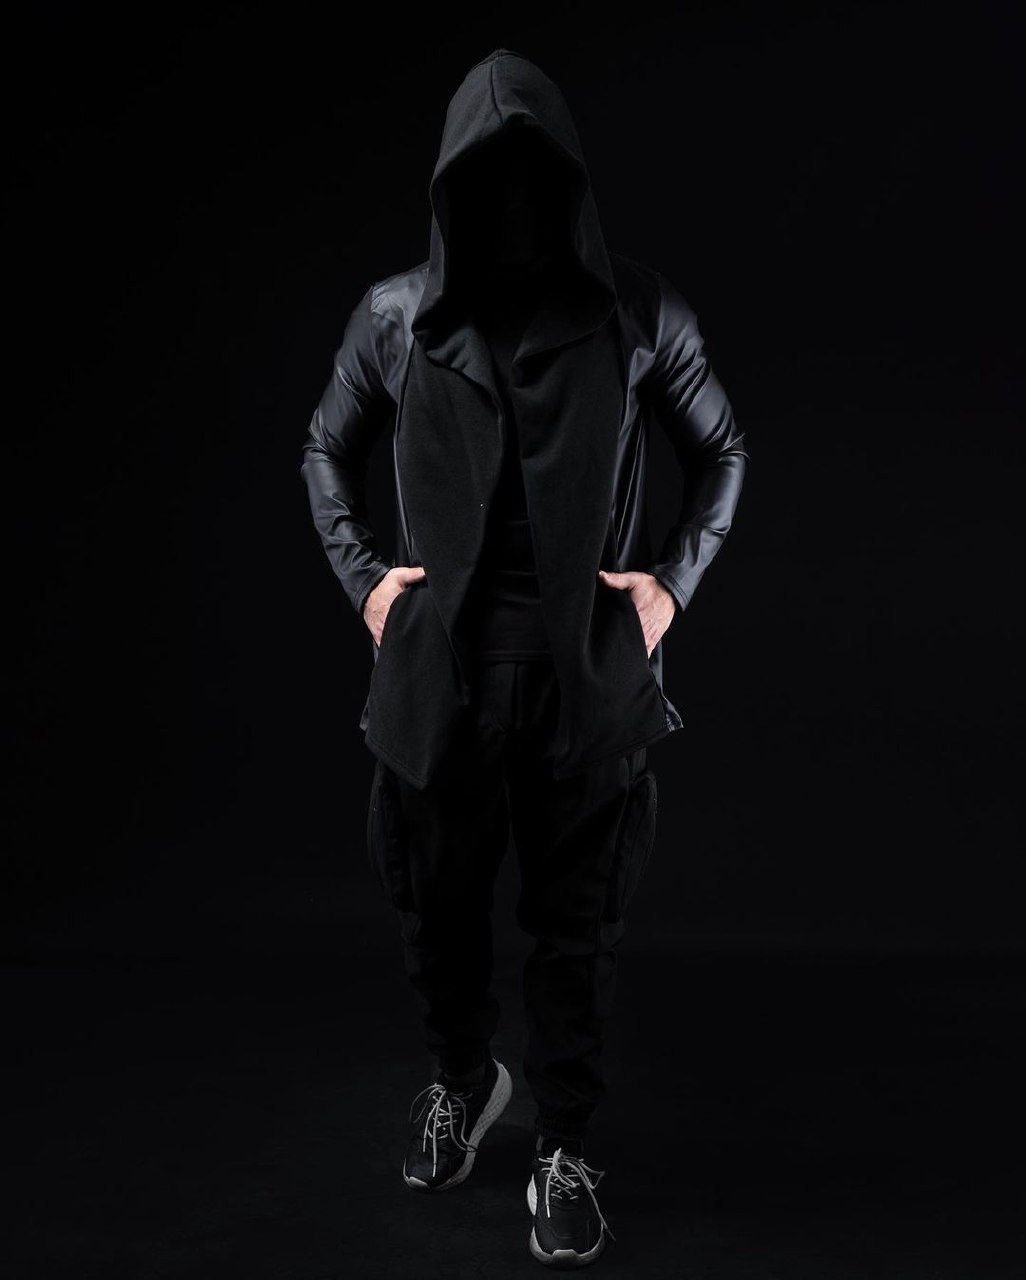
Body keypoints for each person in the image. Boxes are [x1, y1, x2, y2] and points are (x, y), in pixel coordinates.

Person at [302, 48, 747, 1269]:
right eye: (483, 179)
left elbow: (723, 449)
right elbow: (325, 447)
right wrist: (364, 578)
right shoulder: (395, 317)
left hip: (585, 677)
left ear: (570, 185)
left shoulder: (639, 312)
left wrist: (671, 582)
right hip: (435, 675)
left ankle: (564, 1142)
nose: (509, 204)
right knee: (433, 908)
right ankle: (462, 1079)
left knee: (575, 926)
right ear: (449, 188)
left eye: (532, 176)